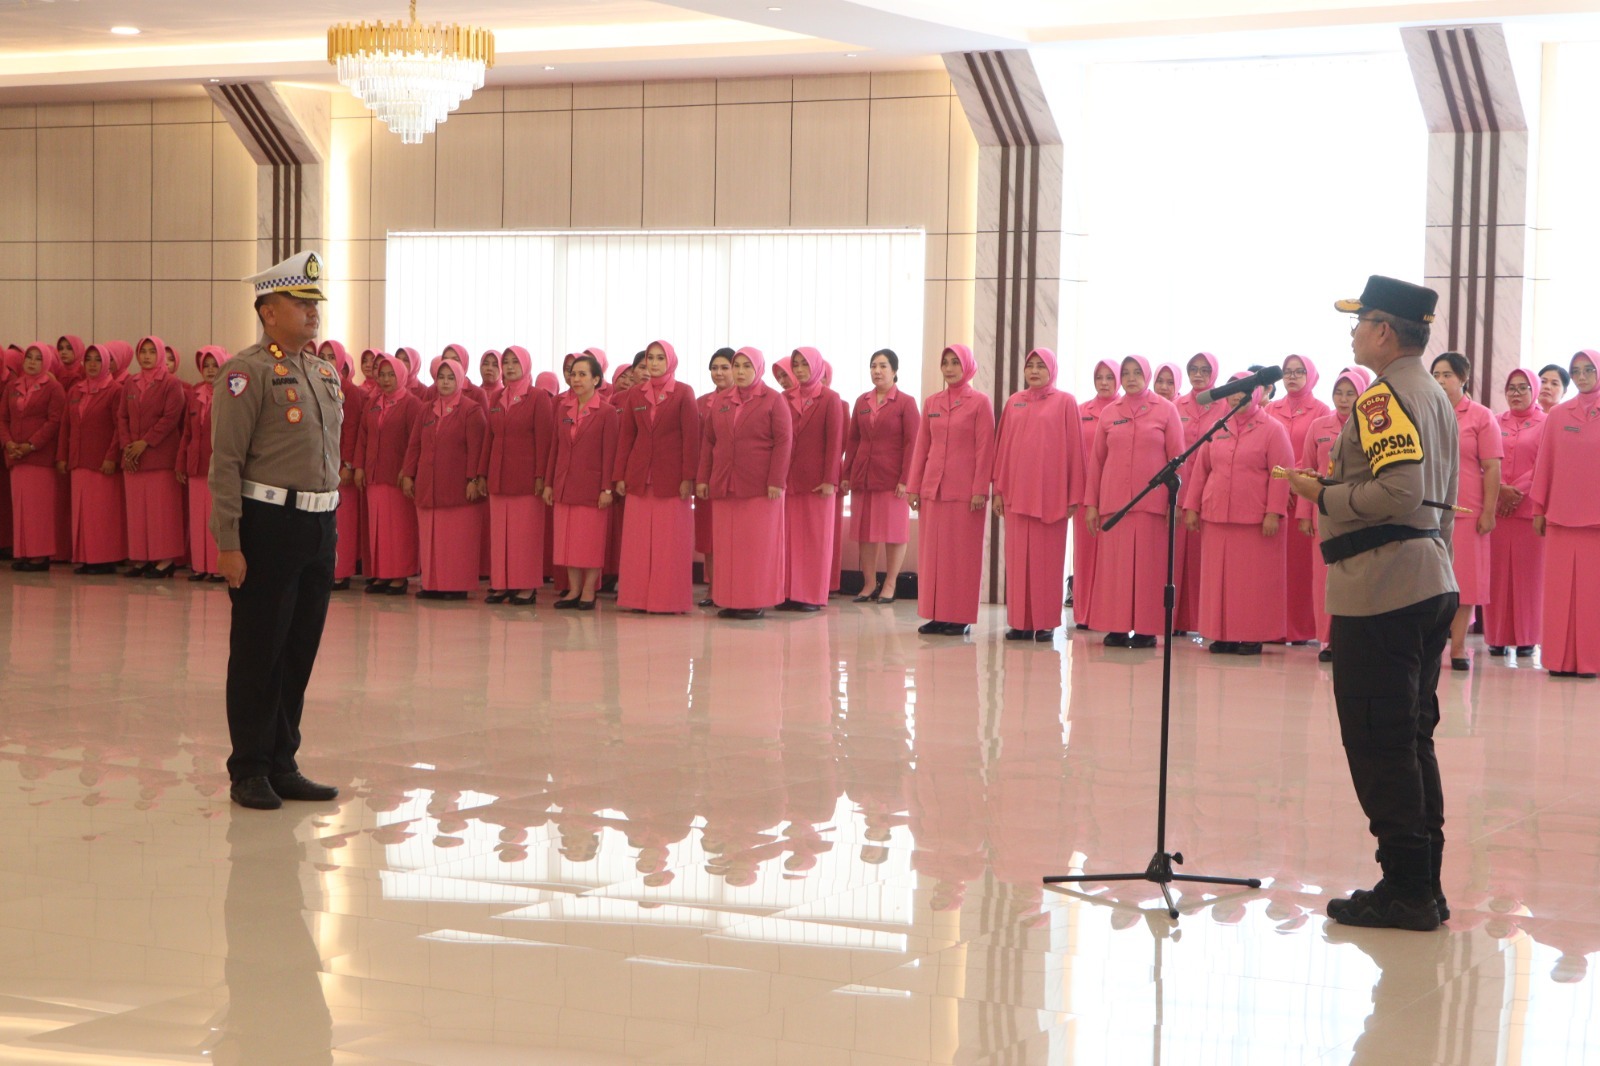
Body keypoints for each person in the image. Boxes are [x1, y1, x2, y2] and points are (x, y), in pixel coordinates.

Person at [1285, 275, 1459, 930]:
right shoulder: (1436, 395)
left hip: (1383, 589)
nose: (1353, 333)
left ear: (1385, 330)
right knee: (1411, 739)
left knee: (1380, 741)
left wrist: (1323, 494)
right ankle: (1423, 886)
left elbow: (1401, 493)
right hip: (1427, 578)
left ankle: (1407, 892)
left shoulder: (1384, 400)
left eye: (1360, 322)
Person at [208, 250, 344, 811]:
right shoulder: (246, 373)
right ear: (268, 310)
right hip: (268, 523)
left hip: (318, 522)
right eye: (300, 302)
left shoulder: (322, 370)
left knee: (299, 648)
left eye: (316, 303)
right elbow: (225, 463)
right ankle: (249, 769)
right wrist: (229, 542)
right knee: (259, 649)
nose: (313, 313)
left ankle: (283, 759)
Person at [1182, 371, 1294, 655]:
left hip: (1254, 520)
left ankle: (1250, 635)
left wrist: (1274, 512)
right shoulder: (1216, 426)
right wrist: (1192, 506)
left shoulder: (1272, 428)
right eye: (1232, 389)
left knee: (1250, 583)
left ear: (1257, 392)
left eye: (1244, 389)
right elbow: (1201, 470)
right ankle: (1222, 634)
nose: (1237, 395)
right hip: (1216, 515)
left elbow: (1281, 474)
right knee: (1218, 581)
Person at [1084, 355, 1184, 647]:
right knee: (1115, 570)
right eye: (1125, 373)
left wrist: (1173, 504)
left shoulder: (1165, 410)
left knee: (1147, 569)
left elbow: (1178, 462)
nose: (1130, 377)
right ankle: (1115, 627)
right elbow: (1097, 462)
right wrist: (1092, 503)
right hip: (1114, 505)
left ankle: (1145, 629)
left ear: (1147, 375)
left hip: (1151, 504)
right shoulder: (1109, 412)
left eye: (1136, 372)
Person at [992, 347, 1084, 642]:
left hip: (1052, 495)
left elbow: (1075, 451)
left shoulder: (1066, 402)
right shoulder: (1014, 402)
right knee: (1018, 560)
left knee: (1047, 560)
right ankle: (1019, 621)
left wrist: (1074, 495)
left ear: (1052, 370)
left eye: (1040, 366)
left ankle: (1045, 621)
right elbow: (1003, 449)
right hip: (1016, 493)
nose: (1033, 370)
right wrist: (998, 490)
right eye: (1029, 365)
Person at [696, 346, 792, 620]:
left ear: (758, 369)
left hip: (760, 487)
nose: (739, 372)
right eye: (736, 366)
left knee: (754, 547)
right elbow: (709, 441)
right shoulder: (722, 400)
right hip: (725, 484)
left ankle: (754, 600)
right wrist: (703, 477)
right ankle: (729, 599)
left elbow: (784, 442)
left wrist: (776, 480)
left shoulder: (773, 400)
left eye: (746, 366)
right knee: (727, 547)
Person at [906, 344, 994, 636]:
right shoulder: (932, 402)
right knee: (933, 556)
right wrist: (914, 487)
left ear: (967, 366)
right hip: (933, 488)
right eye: (945, 362)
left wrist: (980, 488)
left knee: (960, 556)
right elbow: (922, 447)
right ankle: (936, 613)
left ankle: (959, 616)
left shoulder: (980, 402)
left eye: (955, 362)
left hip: (965, 491)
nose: (949, 368)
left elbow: (985, 449)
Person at [614, 339, 699, 614]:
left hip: (672, 479)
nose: (654, 363)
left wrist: (689, 477)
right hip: (639, 476)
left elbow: (691, 438)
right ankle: (636, 599)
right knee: (637, 543)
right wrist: (620, 475)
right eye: (650, 358)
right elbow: (626, 437)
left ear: (670, 361)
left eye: (660, 358)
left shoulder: (684, 393)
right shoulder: (635, 395)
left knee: (669, 543)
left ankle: (668, 600)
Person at [1529, 349, 1600, 679]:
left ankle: (1591, 661)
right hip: (1559, 516)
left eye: (1589, 370)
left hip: (1596, 521)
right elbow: (1545, 463)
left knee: (1592, 595)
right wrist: (1539, 508)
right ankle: (1557, 659)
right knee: (1557, 593)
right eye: (1577, 371)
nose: (1583, 376)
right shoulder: (1558, 415)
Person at [1294, 365, 1372, 661]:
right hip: (1322, 512)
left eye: (1351, 393)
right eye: (1338, 392)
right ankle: (1327, 640)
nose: (1343, 399)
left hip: (1357, 511)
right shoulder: (1318, 426)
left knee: (1355, 578)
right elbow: (1306, 470)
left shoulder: (1371, 425)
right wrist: (1304, 512)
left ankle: (1352, 641)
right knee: (1323, 579)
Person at [1431, 351, 1501, 671]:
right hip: (1430, 512)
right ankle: (1430, 645)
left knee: (1465, 584)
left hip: (1467, 512)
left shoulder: (1481, 416)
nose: (1441, 381)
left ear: (1463, 378)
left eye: (1447, 375)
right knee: (1430, 583)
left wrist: (1488, 511)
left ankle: (1458, 647)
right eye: (1436, 375)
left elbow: (1491, 467)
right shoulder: (1425, 412)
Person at [402, 356, 489, 601]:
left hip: (458, 486)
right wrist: (408, 474)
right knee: (430, 536)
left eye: (451, 378)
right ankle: (432, 584)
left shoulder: (471, 409)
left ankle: (455, 585)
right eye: (441, 377)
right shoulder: (426, 409)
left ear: (460, 380)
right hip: (429, 484)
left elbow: (477, 448)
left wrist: (473, 479)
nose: (445, 382)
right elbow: (414, 445)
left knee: (456, 539)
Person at [842, 348, 919, 604]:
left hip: (892, 478)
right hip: (863, 476)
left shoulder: (906, 403)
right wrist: (847, 472)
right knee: (865, 532)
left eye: (883, 366)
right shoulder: (862, 402)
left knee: (894, 532)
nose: (877, 370)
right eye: (873, 365)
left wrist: (906, 479)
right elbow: (853, 439)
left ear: (895, 371)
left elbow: (913, 443)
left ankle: (890, 583)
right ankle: (868, 583)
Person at [543, 352, 618, 609]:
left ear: (596, 379)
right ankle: (573, 590)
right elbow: (555, 448)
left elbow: (610, 454)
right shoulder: (562, 408)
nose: (576, 379)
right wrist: (549, 484)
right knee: (568, 541)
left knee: (589, 541)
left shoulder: (607, 411)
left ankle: (588, 591)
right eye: (573, 374)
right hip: (564, 484)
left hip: (592, 487)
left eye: (583, 374)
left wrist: (607, 488)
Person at [1267, 354, 1332, 644]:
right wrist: (1281, 491)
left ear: (1311, 375)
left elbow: (1319, 460)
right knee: (1274, 566)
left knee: (1303, 568)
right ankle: (1274, 626)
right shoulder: (1270, 408)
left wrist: (1298, 488)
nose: (1292, 377)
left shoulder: (1321, 410)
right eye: (1287, 372)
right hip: (1276, 499)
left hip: (1305, 498)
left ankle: (1303, 629)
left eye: (1299, 371)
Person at [1485, 368, 1546, 658]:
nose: (1517, 394)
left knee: (1528, 578)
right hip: (1498, 509)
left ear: (1534, 391)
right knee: (1496, 575)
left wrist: (1516, 490)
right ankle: (1496, 637)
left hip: (1528, 511)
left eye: (1523, 388)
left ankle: (1526, 638)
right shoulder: (1495, 422)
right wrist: (1500, 490)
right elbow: (1484, 461)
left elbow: (1545, 465)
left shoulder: (1546, 423)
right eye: (1512, 388)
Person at [484, 345, 551, 606]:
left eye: (515, 362)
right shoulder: (497, 397)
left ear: (526, 365)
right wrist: (482, 474)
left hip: (526, 477)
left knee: (525, 535)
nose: (510, 367)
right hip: (498, 475)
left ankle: (525, 586)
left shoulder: (538, 397)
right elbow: (490, 438)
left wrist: (541, 475)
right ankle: (501, 584)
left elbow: (544, 439)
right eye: (506, 362)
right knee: (500, 535)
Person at [778, 347, 844, 612]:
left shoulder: (830, 398)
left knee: (815, 538)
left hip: (818, 481)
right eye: (796, 365)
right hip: (788, 479)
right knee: (789, 538)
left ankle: (811, 595)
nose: (800, 369)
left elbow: (835, 441)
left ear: (816, 366)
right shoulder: (783, 397)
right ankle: (787, 592)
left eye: (805, 364)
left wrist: (830, 479)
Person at [57, 342, 130, 574]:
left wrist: (112, 457)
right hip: (79, 462)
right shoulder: (76, 390)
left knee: (102, 514)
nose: (92, 364)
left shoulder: (115, 391)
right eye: (88, 359)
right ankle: (87, 558)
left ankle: (104, 559)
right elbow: (65, 427)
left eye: (97, 360)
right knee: (83, 513)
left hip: (102, 464)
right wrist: (62, 456)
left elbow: (120, 429)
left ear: (107, 364)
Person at [118, 335, 188, 578]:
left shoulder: (171, 383)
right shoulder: (130, 383)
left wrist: (144, 442)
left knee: (162, 512)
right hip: (133, 458)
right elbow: (122, 417)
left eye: (151, 351)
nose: (146, 356)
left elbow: (170, 418)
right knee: (138, 513)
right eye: (142, 351)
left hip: (159, 457)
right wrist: (128, 445)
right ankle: (142, 558)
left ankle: (165, 560)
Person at [354, 352, 423, 595]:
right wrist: (359, 467)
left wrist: (408, 470)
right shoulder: (374, 402)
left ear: (401, 375)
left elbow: (416, 441)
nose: (385, 379)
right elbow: (363, 437)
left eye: (390, 374)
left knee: (398, 529)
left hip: (397, 476)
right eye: (381, 374)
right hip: (374, 475)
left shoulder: (411, 403)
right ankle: (381, 574)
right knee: (378, 528)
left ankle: (399, 575)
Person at [1, 342, 67, 571]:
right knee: (21, 508)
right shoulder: (13, 386)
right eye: (29, 357)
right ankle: (25, 553)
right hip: (16, 456)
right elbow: (3, 419)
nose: (31, 362)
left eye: (38, 358)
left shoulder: (53, 388)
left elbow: (54, 422)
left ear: (46, 362)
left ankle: (39, 556)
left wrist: (31, 445)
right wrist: (9, 443)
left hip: (39, 458)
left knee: (38, 509)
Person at [1174, 352, 1226, 634]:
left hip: (1208, 494)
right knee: (1174, 560)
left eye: (1205, 370)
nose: (1198, 375)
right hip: (1177, 492)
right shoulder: (1175, 404)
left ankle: (1199, 622)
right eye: (1193, 369)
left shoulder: (1223, 405)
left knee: (1200, 563)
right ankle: (1174, 622)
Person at [1069, 358, 1121, 626]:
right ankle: (1085, 613)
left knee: (1112, 558)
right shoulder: (1080, 410)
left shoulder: (1125, 410)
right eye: (1099, 377)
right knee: (1086, 555)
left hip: (1116, 493)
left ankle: (1110, 613)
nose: (1103, 382)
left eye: (1109, 378)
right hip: (1086, 495)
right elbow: (1071, 454)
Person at [177, 346, 232, 582]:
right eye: (206, 365)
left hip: (219, 466)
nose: (210, 370)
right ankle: (200, 565)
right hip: (196, 464)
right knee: (198, 518)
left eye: (215, 365)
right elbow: (187, 433)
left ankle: (218, 567)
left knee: (217, 517)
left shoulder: (232, 393)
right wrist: (181, 462)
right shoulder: (194, 394)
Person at [320, 340, 369, 591]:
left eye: (332, 356)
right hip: (320, 463)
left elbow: (352, 429)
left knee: (343, 522)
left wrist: (348, 463)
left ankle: (342, 570)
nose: (327, 360)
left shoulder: (350, 391)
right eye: (323, 355)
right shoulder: (315, 385)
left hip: (341, 465)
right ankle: (325, 570)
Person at [695, 349, 736, 606]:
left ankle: (730, 584)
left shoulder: (742, 400)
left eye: (724, 367)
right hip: (705, 477)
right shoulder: (700, 402)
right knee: (709, 535)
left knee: (729, 534)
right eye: (714, 368)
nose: (718, 373)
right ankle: (712, 585)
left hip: (730, 478)